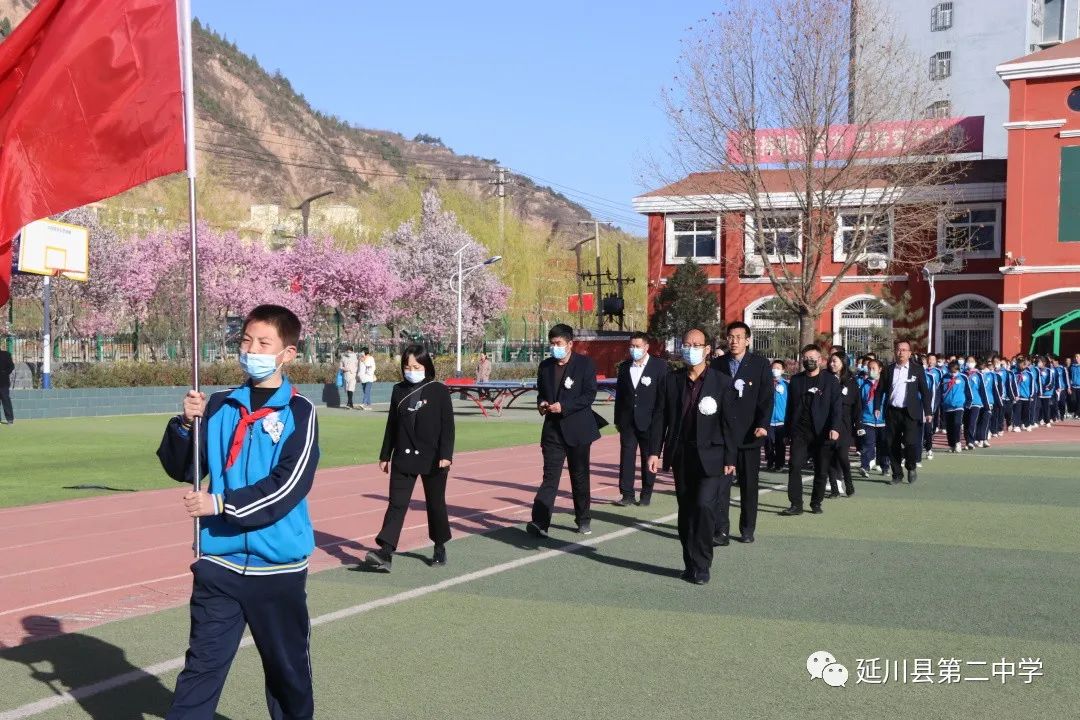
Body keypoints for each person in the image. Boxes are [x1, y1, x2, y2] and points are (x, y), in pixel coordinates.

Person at [157, 304, 319, 720]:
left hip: (277, 570)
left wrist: (222, 504)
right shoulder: (220, 404)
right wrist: (185, 426)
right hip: (218, 563)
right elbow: (187, 469)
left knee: (288, 675)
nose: (252, 350)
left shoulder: (299, 412)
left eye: (264, 343)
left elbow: (288, 485)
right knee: (201, 670)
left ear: (288, 353)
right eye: (247, 341)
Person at [647, 328, 736, 585]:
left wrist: (730, 458)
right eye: (687, 344)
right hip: (681, 454)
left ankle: (703, 563)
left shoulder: (722, 382)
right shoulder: (671, 380)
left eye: (697, 344)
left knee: (704, 506)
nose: (691, 348)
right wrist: (655, 451)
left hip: (712, 456)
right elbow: (659, 418)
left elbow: (730, 423)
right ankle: (690, 563)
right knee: (686, 511)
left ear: (707, 349)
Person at [366, 345, 455, 571]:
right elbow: (392, 425)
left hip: (434, 457)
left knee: (435, 504)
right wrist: (385, 455)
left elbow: (448, 427)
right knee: (396, 504)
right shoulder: (398, 390)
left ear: (426, 366)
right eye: (407, 367)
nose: (411, 370)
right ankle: (385, 552)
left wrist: (446, 455)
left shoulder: (439, 390)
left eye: (416, 366)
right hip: (404, 455)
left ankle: (439, 545)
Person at [527, 324, 603, 538]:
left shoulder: (585, 364)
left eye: (558, 344)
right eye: (551, 344)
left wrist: (565, 406)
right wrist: (542, 403)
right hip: (552, 430)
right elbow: (542, 393)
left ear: (570, 344)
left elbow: (589, 395)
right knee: (550, 477)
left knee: (579, 476)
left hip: (578, 430)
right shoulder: (545, 366)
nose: (554, 348)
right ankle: (540, 522)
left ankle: (583, 518)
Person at [712, 321, 773, 545]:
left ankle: (747, 528)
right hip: (723, 436)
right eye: (730, 337)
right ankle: (721, 530)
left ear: (748, 340)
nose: (734, 341)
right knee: (721, 485)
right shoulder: (718, 365)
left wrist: (763, 424)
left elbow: (766, 399)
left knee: (749, 485)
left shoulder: (759, 364)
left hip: (750, 435)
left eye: (739, 337)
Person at [779, 345, 841, 516]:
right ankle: (796, 504)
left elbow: (836, 407)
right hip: (800, 432)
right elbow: (790, 408)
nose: (809, 361)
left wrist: (835, 428)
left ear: (821, 360)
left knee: (821, 469)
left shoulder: (830, 381)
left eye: (813, 358)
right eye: (806, 358)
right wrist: (787, 432)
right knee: (794, 465)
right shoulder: (796, 381)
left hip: (823, 432)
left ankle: (816, 502)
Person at [613, 331, 668, 506]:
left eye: (637, 346)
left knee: (648, 457)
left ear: (646, 347)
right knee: (627, 457)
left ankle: (646, 493)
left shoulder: (659, 366)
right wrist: (618, 420)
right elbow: (620, 396)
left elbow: (662, 398)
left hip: (649, 421)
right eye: (631, 346)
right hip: (628, 422)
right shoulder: (624, 367)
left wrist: (660, 421)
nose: (634, 349)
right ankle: (627, 494)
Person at [874, 340, 932, 484]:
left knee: (911, 443)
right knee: (892, 443)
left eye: (904, 350)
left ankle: (911, 466)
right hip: (893, 412)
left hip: (910, 412)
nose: (901, 352)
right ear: (895, 351)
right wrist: (877, 407)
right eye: (898, 350)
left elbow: (925, 392)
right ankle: (897, 475)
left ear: (909, 353)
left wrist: (928, 411)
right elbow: (879, 391)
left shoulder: (917, 370)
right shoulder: (888, 369)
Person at [825, 351, 860, 498]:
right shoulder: (825, 378)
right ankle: (834, 488)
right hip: (827, 422)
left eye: (835, 361)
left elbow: (857, 405)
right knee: (829, 456)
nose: (832, 364)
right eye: (831, 361)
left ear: (843, 363)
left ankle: (848, 482)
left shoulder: (851, 381)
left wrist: (858, 425)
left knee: (842, 455)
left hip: (844, 423)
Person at [857, 358, 888, 477]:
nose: (871, 371)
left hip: (883, 420)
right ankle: (864, 466)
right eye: (869, 368)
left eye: (874, 368)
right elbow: (860, 402)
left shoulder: (885, 385)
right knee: (867, 444)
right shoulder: (864, 385)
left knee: (883, 445)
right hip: (867, 419)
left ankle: (885, 466)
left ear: (880, 369)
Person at [940, 360, 971, 452]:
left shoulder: (963, 377)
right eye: (951, 371)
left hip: (959, 405)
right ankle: (951, 445)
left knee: (957, 424)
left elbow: (968, 390)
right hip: (947, 405)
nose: (953, 373)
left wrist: (968, 403)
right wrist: (941, 402)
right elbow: (940, 390)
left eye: (954, 371)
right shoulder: (944, 378)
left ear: (958, 369)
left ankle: (957, 442)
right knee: (949, 427)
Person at [765, 360, 788, 473]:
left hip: (781, 421)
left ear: (783, 370)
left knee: (780, 444)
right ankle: (770, 461)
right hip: (768, 420)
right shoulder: (766, 383)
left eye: (778, 368)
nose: (775, 370)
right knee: (768, 442)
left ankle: (779, 464)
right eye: (774, 367)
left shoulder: (786, 385)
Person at [0, 346, 13, 424]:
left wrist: (5, 373)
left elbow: (11, 366)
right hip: (4, 381)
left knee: (6, 400)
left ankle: (10, 419)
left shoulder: (6, 354)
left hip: (4, 382)